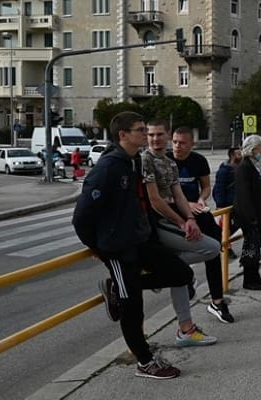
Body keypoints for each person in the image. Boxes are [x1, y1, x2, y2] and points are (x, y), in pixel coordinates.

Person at [73, 111, 194, 379]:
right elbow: (82, 217)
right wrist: (100, 248)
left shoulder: (133, 161)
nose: (145, 134)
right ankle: (145, 362)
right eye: (140, 130)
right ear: (123, 135)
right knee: (133, 307)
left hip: (141, 241)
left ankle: (119, 287)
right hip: (118, 249)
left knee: (182, 273)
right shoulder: (107, 169)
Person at [141, 119, 221, 343]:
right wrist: (180, 222)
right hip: (156, 223)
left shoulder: (169, 163)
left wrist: (190, 219)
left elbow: (178, 195)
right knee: (211, 248)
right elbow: (155, 200)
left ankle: (185, 330)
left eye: (159, 135)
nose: (155, 139)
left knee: (179, 271)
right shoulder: (145, 160)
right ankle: (160, 272)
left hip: (173, 219)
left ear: (166, 135)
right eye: (150, 135)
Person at [169, 127, 233, 323]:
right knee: (176, 253)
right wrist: (185, 205)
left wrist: (201, 199)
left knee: (215, 249)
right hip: (172, 213)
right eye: (174, 142)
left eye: (182, 143)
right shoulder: (165, 161)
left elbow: (205, 186)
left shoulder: (198, 161)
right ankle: (186, 277)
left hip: (196, 212)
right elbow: (159, 194)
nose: (177, 146)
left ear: (191, 144)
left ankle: (217, 301)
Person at [233, 135, 261, 290]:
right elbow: (244, 195)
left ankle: (255, 276)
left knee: (256, 247)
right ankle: (248, 280)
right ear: (253, 149)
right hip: (251, 217)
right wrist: (252, 218)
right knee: (250, 248)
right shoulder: (245, 167)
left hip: (260, 215)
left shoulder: (257, 165)